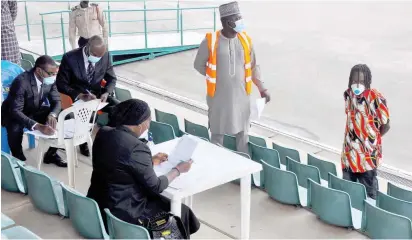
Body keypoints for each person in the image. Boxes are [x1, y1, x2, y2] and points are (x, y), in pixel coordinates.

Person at [87, 99, 200, 236]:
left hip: (99, 203)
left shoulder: (103, 132)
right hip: (124, 212)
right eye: (148, 121)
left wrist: (150, 162)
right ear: (140, 124)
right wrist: (177, 170)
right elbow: (156, 186)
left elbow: (119, 164)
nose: (148, 126)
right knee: (182, 211)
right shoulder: (137, 147)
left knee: (172, 206)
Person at [193, 1, 270, 154]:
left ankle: (243, 167)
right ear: (229, 22)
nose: (242, 22)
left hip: (242, 98)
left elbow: (254, 67)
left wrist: (262, 89)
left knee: (243, 135)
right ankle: (217, 167)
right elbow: (198, 65)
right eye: (238, 18)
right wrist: (216, 77)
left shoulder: (246, 40)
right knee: (217, 134)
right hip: (219, 98)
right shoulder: (210, 41)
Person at [56, 35, 118, 156]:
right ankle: (83, 142)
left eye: (100, 56)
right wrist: (79, 95)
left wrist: (106, 92)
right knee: (88, 113)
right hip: (77, 96)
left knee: (119, 108)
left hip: (98, 94)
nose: (98, 59)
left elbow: (112, 78)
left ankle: (107, 139)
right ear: (87, 47)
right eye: (95, 55)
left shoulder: (105, 56)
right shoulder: (70, 58)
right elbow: (61, 84)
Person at [1, 55, 67, 167]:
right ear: (39, 70)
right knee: (15, 128)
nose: (53, 77)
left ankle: (51, 154)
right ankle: (18, 159)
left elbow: (56, 101)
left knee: (64, 115)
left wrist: (52, 114)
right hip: (13, 113)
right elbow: (15, 111)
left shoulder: (50, 79)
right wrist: (38, 126)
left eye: (55, 73)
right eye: (51, 74)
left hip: (33, 109)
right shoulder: (21, 82)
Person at [341, 64, 390, 199]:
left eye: (361, 81)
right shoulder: (348, 95)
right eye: (354, 81)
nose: (357, 84)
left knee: (369, 194)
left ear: (367, 81)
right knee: (348, 193)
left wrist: (371, 138)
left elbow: (386, 124)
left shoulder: (376, 98)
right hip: (349, 155)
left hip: (367, 157)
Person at [1, 1, 20, 65]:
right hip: (6, 28)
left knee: (11, 66)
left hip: (6, 35)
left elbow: (13, 7)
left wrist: (6, 22)